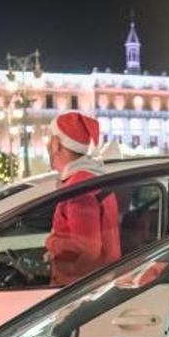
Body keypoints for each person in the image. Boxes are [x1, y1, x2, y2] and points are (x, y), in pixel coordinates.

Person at [44, 111, 121, 286]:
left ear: (56, 144)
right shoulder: (91, 178)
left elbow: (88, 248)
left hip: (78, 289)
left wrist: (52, 243)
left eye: (49, 139)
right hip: (95, 282)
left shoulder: (79, 186)